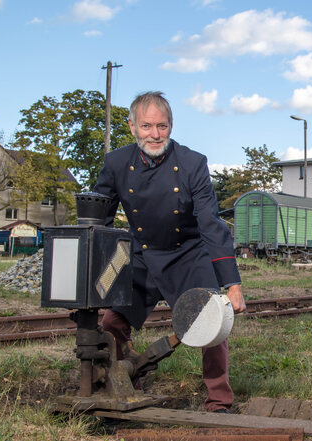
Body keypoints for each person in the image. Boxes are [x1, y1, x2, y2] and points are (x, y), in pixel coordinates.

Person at [93, 91, 246, 413]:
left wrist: (232, 285)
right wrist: (94, 278)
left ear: (171, 126)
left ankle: (219, 399)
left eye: (162, 126)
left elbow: (210, 223)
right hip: (141, 253)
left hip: (188, 253)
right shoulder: (116, 163)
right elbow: (100, 218)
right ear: (132, 126)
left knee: (212, 322)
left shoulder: (193, 163)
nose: (154, 134)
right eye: (147, 126)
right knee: (111, 323)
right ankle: (126, 384)